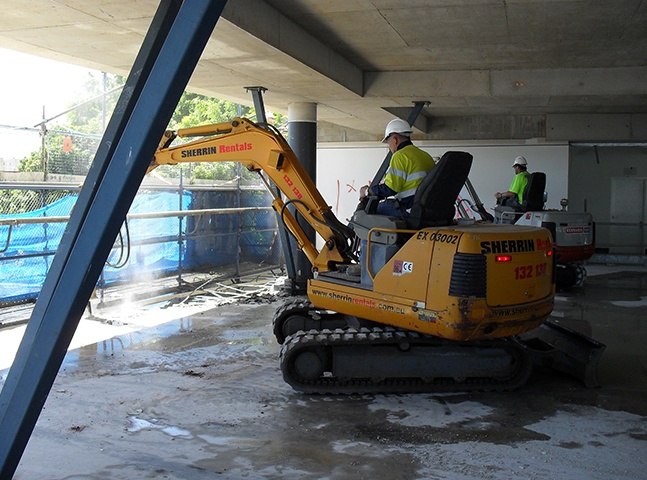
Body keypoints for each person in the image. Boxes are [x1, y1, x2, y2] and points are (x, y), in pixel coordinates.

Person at [358, 118, 435, 217]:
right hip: (424, 207)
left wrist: (367, 191)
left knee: (366, 214)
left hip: (408, 208)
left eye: (388, 142)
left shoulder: (400, 156)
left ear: (394, 139)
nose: (389, 146)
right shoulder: (424, 155)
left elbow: (391, 188)